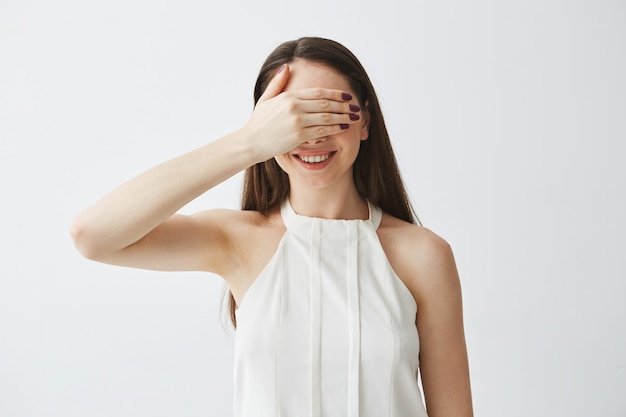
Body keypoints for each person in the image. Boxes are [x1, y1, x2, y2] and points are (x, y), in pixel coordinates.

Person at [71, 37, 473, 417]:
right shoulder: (236, 241)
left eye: (331, 113)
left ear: (364, 120)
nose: (312, 137)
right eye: (292, 119)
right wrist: (248, 143)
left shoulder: (423, 256)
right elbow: (92, 236)